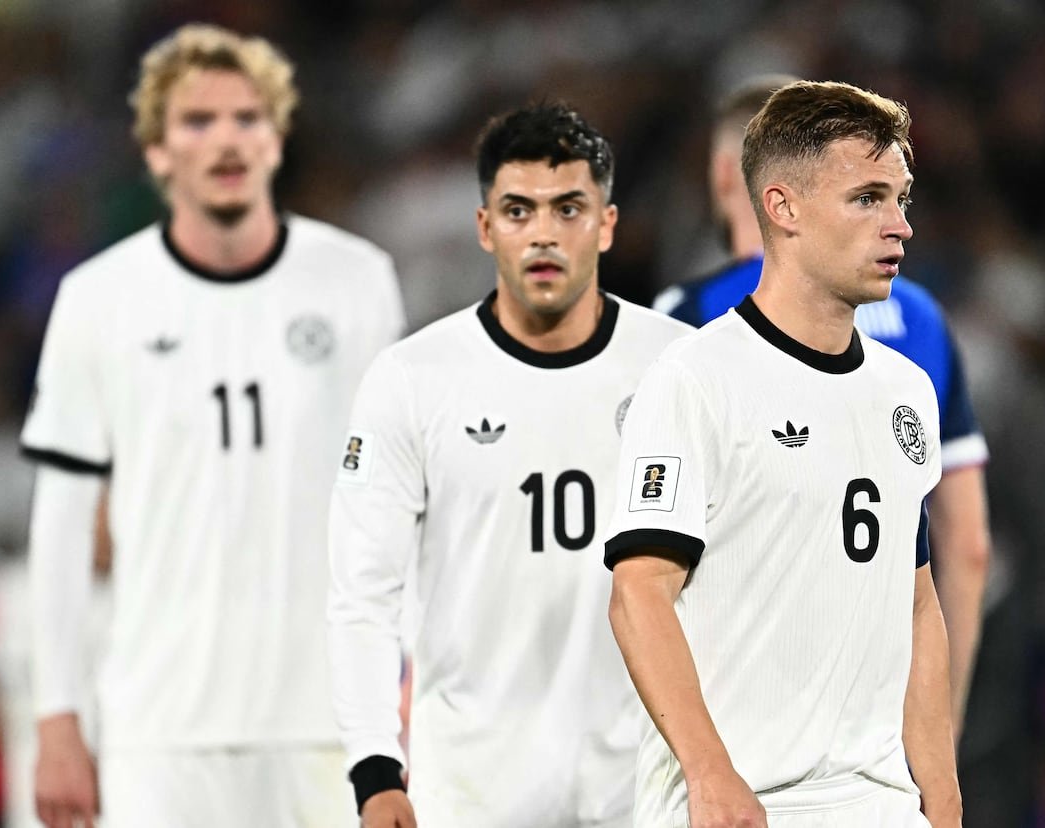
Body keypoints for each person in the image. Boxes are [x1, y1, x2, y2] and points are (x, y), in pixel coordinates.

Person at [21, 24, 404, 828]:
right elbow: (60, 524)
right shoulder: (98, 298)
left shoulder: (357, 281)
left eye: (246, 118)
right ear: (157, 152)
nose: (226, 139)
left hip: (328, 721)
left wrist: (409, 671)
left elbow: (398, 497)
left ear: (276, 139)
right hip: (159, 730)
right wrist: (56, 715)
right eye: (198, 121)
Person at [605, 81, 962, 827]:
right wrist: (710, 774)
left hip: (876, 806)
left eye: (901, 199)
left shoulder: (906, 391)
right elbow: (640, 594)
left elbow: (917, 603)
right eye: (867, 198)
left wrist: (943, 793)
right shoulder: (694, 379)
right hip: (739, 805)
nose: (899, 225)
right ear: (783, 207)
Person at [327, 102, 691, 828]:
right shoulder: (413, 379)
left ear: (607, 224)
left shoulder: (679, 368)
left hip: (643, 794)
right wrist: (374, 769)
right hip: (471, 798)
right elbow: (362, 593)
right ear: (485, 226)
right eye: (519, 211)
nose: (544, 234)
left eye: (568, 209)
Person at [655, 75, 992, 734]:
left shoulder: (688, 319)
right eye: (868, 196)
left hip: (743, 713)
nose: (896, 223)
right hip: (882, 716)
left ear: (726, 176)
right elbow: (967, 544)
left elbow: (640, 556)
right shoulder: (923, 320)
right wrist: (939, 730)